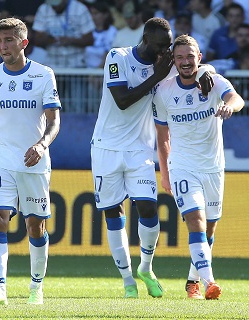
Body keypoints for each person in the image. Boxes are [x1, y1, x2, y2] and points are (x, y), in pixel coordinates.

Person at [153, 34, 244, 299]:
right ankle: (209, 283)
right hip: (183, 166)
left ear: (199, 58)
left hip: (213, 167)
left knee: (210, 229)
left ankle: (193, 279)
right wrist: (166, 174)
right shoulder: (164, 92)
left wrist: (229, 106)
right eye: (179, 57)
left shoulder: (213, 81)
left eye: (190, 57)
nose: (185, 62)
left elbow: (237, 98)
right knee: (196, 221)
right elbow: (162, 137)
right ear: (174, 60)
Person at [0, 17, 61, 305]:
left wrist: (42, 144)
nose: (3, 46)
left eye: (9, 40)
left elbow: (54, 121)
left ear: (24, 42)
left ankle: (36, 286)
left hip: (33, 161)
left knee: (35, 226)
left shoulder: (43, 75)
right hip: (0, 159)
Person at [90, 17, 174, 299]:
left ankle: (145, 268)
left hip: (140, 149)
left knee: (149, 208)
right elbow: (122, 99)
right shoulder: (118, 56)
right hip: (106, 147)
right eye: (161, 46)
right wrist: (157, 77)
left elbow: (190, 65)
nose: (166, 51)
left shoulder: (163, 64)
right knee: (113, 212)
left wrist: (204, 72)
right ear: (146, 40)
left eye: (169, 45)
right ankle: (127, 280)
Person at [32, 0, 95, 68]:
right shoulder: (44, 9)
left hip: (76, 64)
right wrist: (50, 39)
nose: (54, 6)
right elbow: (37, 40)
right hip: (52, 65)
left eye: (56, 4)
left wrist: (70, 41)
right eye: (52, 4)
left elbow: (90, 40)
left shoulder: (80, 9)